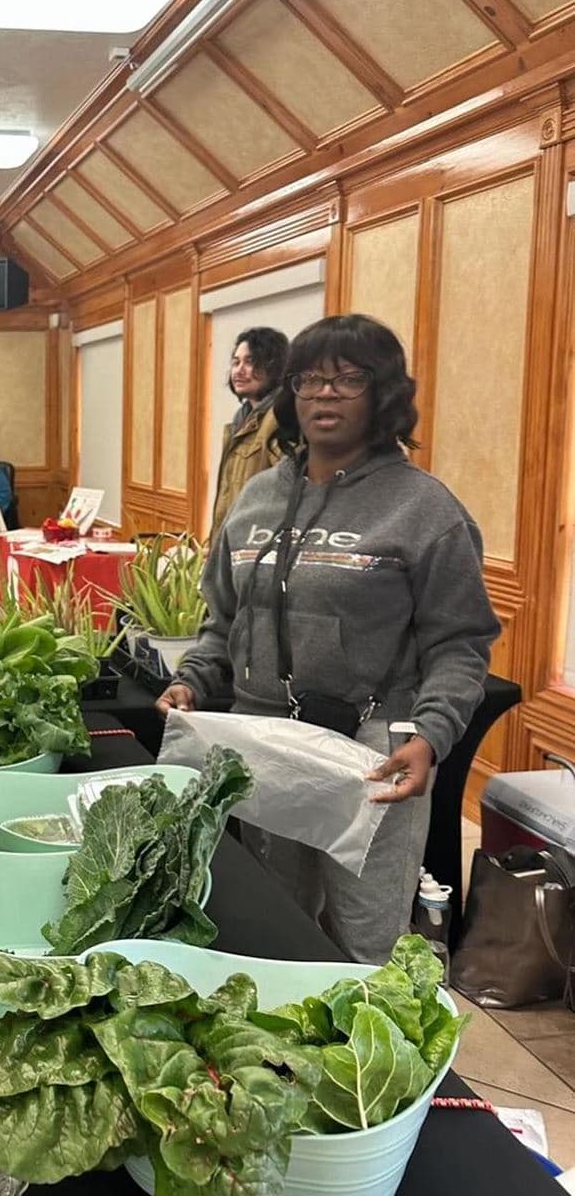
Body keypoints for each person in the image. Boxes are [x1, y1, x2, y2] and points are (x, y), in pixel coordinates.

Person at [157, 314, 499, 964]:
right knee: (275, 925)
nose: (325, 395)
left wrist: (430, 733)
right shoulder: (257, 498)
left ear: (385, 394)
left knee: (364, 941)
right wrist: (193, 678)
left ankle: (364, 1061)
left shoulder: (423, 509)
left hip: (372, 756)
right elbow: (222, 620)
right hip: (268, 742)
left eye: (348, 380)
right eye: (311, 380)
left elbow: (460, 644)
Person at [210, 326, 289, 544]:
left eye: (250, 362)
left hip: (258, 548)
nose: (239, 370)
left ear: (274, 367)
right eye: (236, 362)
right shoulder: (241, 420)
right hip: (232, 545)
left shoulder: (283, 418)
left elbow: (286, 496)